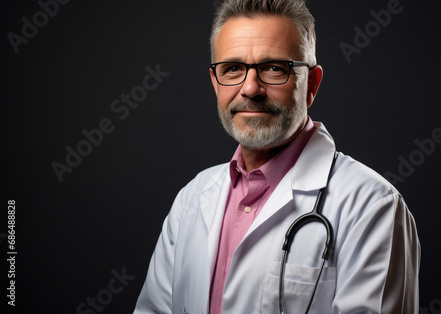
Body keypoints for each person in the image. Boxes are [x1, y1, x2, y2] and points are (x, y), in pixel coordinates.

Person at [134, 0, 420, 313]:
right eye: (233, 69)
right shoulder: (190, 200)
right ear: (215, 82)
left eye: (274, 68)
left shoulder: (370, 206)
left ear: (311, 84)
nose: (250, 88)